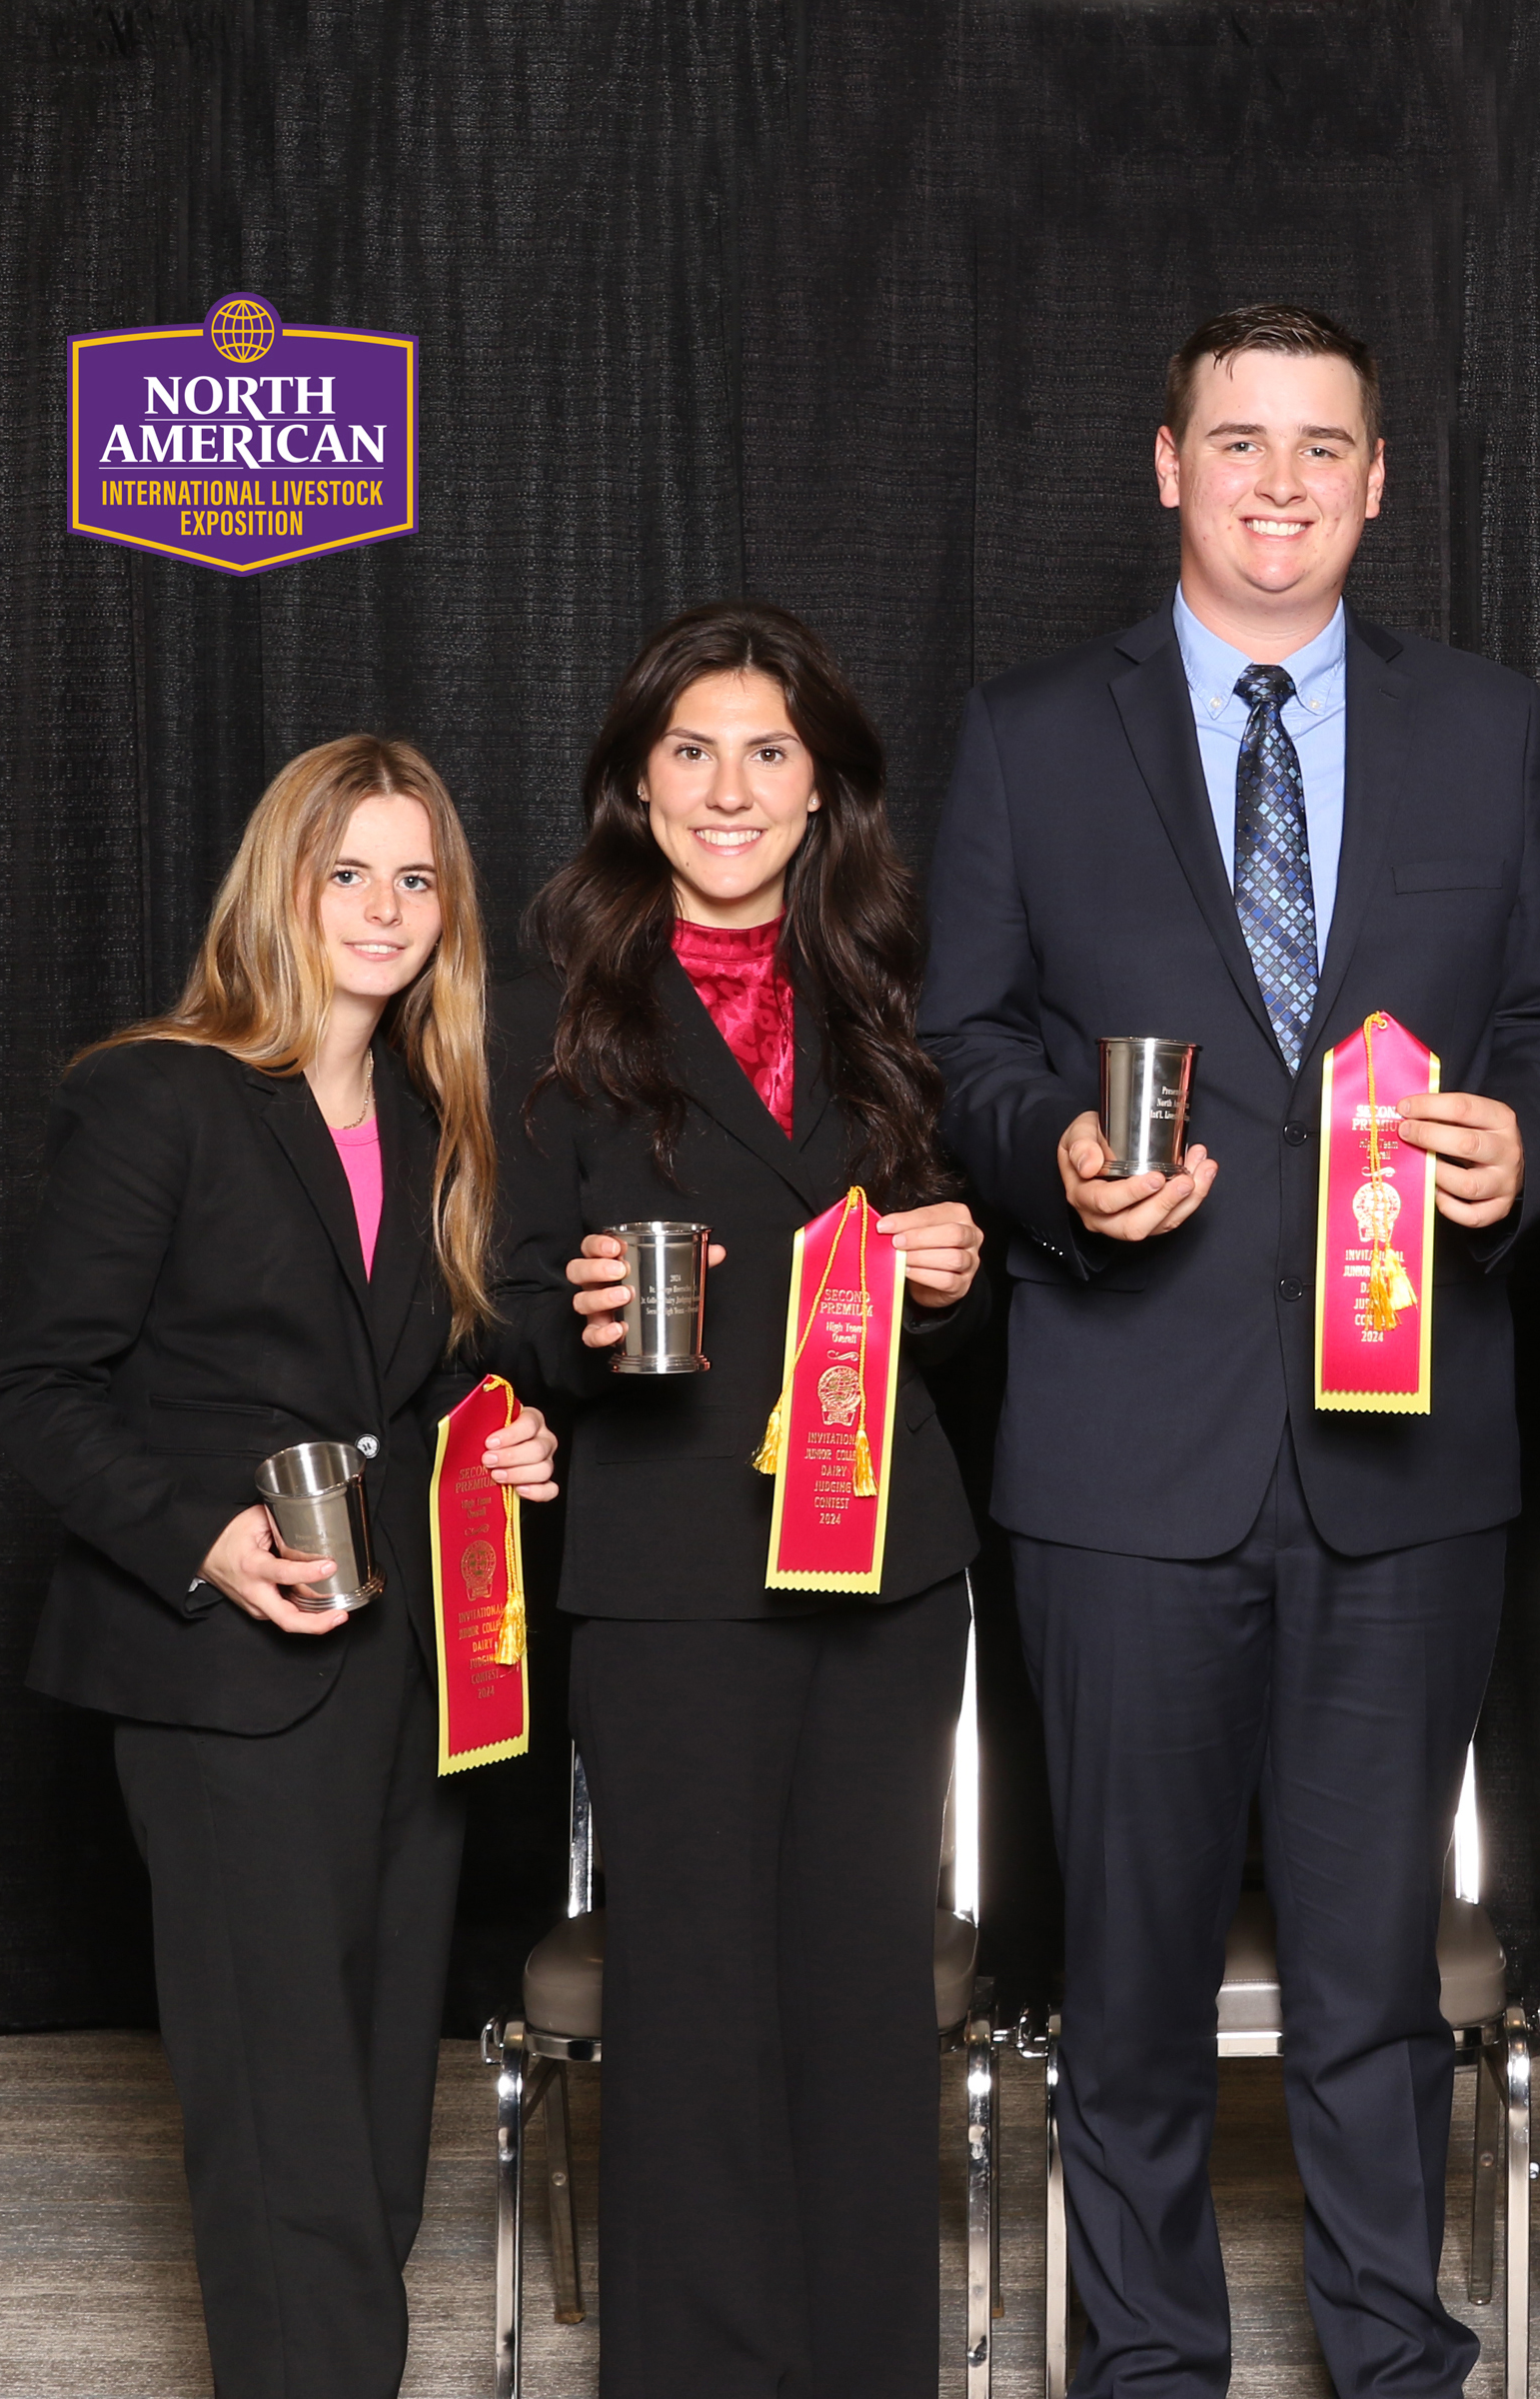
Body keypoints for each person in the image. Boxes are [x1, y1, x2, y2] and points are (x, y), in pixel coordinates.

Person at [921, 301, 1540, 2399]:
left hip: (1409, 1460)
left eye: (1325, 446)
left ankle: (1395, 2354)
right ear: (1169, 466)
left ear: (1380, 480)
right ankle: (1144, 2365)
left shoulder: (1485, 728)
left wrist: (1530, 1145)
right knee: (1124, 1974)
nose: (1283, 482)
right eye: (1242, 442)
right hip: (1127, 1450)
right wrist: (1050, 1160)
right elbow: (967, 1050)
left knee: (1378, 1976)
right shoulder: (1035, 734)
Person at [0, 736, 560, 2399]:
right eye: (346, 872)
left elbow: (417, 1384)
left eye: (416, 875)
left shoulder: (435, 1111)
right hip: (220, 1678)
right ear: (281, 890)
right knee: (281, 2108)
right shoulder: (158, 1091)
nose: (383, 908)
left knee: (381, 2096)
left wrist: (499, 1439)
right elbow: (40, 1388)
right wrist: (204, 1539)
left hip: (406, 1673)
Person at [489, 600, 984, 2399]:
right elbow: (500, 1306)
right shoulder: (545, 1013)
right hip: (673, 1560)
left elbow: (962, 1259)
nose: (729, 786)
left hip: (888, 1571)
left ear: (824, 789)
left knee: (862, 2001)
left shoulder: (890, 993)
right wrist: (584, 1327)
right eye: (691, 749)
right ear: (635, 781)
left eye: (770, 752)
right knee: (691, 2008)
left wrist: (957, 1262)